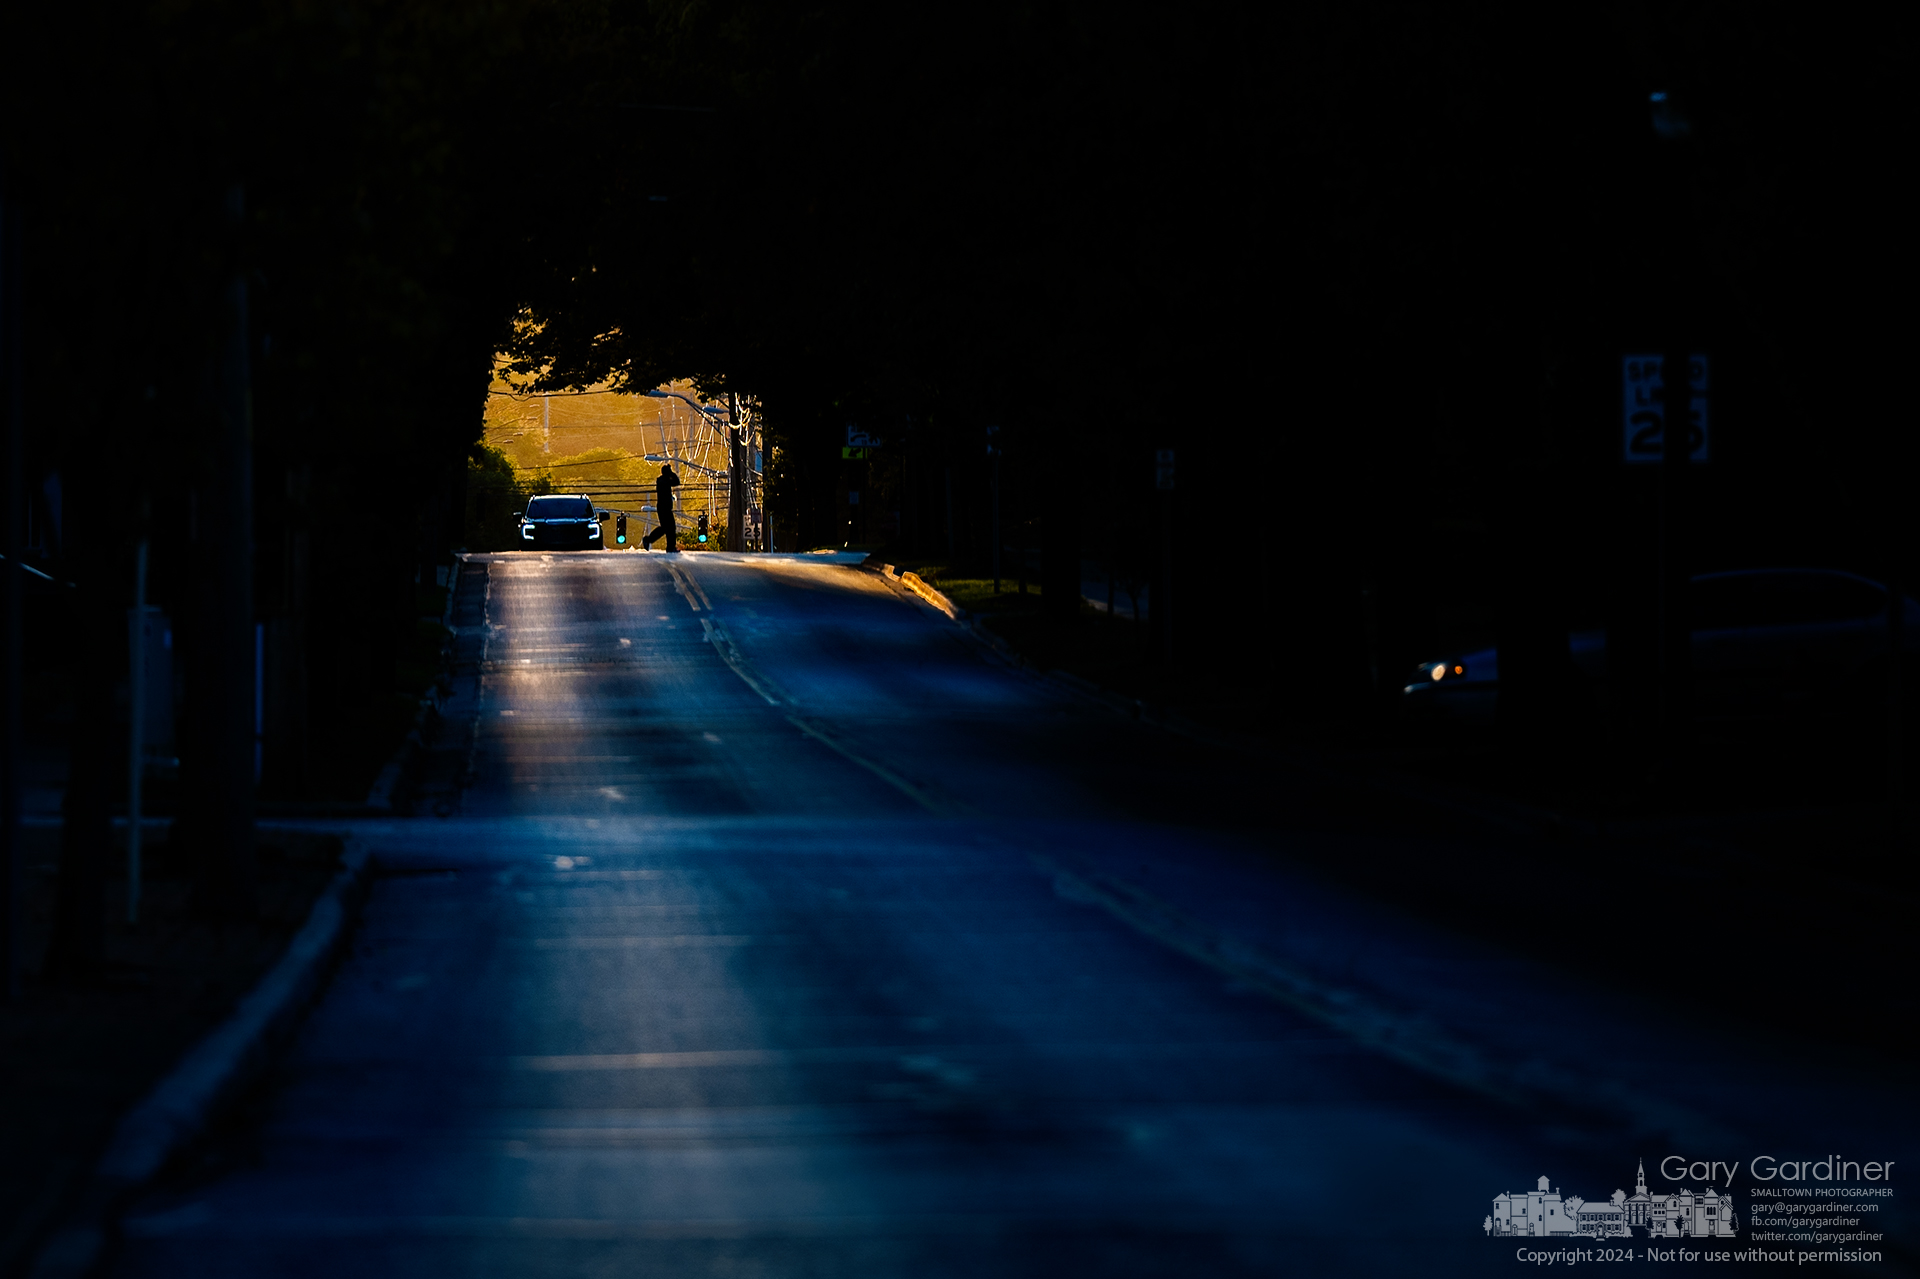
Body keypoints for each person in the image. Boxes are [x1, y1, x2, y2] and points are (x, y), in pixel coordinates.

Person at [641, 466, 680, 551]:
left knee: (666, 528)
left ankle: (650, 540)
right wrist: (672, 473)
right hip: (664, 508)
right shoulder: (663, 481)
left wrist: (670, 473)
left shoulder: (662, 480)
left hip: (664, 508)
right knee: (669, 527)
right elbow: (676, 482)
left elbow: (676, 482)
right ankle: (669, 547)